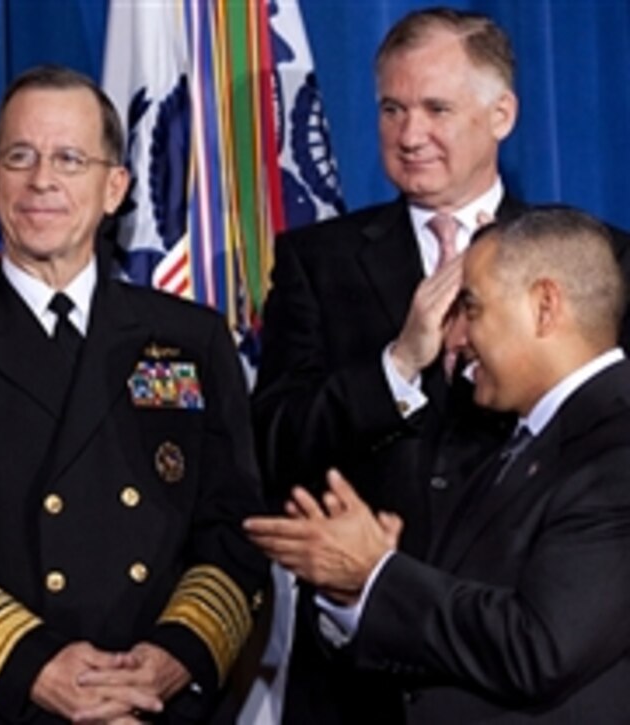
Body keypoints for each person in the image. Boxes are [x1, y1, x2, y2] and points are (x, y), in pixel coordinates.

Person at [248, 8, 630, 723]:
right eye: (392, 109)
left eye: (436, 108)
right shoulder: (317, 262)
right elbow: (270, 448)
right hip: (351, 680)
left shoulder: (594, 261)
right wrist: (395, 367)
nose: (409, 133)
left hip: (529, 672)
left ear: (502, 113)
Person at [0, 65, 269, 724]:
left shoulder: (190, 337)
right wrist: (38, 670)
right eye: (21, 157)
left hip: (156, 704)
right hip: (4, 703)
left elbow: (234, 530)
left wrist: (168, 659)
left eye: (69, 159)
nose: (41, 180)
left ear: (115, 188)